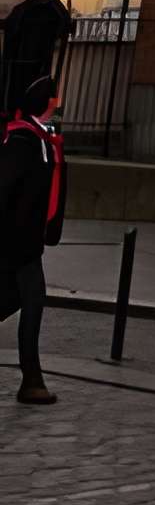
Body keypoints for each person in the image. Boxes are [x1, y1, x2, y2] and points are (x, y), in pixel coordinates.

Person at [0, 75, 67, 405]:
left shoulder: (40, 140)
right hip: (17, 240)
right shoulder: (23, 142)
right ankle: (31, 379)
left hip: (25, 240)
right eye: (55, 101)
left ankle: (32, 378)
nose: (58, 106)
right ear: (46, 104)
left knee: (13, 298)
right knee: (32, 301)